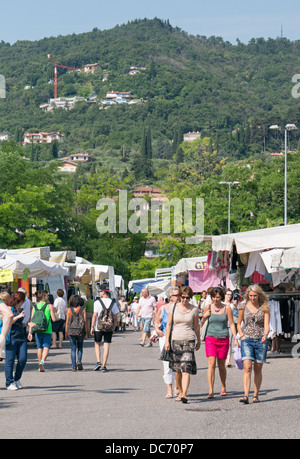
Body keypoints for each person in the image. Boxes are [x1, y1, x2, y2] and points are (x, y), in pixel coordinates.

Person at [165, 286, 200, 404]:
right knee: (178, 370)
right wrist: (166, 341)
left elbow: (196, 326)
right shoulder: (173, 307)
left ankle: (184, 393)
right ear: (180, 296)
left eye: (188, 298)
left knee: (186, 368)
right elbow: (169, 325)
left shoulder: (194, 309)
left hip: (189, 340)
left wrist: (199, 339)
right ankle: (179, 391)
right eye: (183, 297)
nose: (185, 300)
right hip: (176, 340)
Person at [201, 287, 237, 398]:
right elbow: (202, 323)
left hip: (223, 338)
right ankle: (211, 390)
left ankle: (223, 386)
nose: (215, 299)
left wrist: (236, 338)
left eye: (217, 297)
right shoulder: (208, 307)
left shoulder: (227, 308)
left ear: (221, 297)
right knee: (211, 364)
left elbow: (231, 324)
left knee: (221, 365)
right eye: (213, 297)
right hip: (210, 338)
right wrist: (204, 316)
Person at [237, 284, 270, 404]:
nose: (252, 298)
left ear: (259, 295)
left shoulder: (265, 307)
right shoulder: (243, 306)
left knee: (258, 368)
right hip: (247, 339)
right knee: (247, 368)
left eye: (255, 295)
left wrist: (265, 335)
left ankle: (255, 395)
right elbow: (239, 322)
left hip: (261, 340)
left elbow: (267, 325)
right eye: (250, 295)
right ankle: (246, 395)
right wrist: (241, 335)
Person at [154, 287, 179, 398]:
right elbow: (156, 320)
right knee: (167, 363)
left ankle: (177, 387)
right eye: (176, 295)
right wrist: (157, 330)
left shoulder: (181, 308)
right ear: (170, 297)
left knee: (177, 363)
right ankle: (169, 388)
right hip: (165, 338)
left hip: (178, 337)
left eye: (179, 295)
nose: (178, 297)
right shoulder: (163, 308)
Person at [3, 292, 28, 390]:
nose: (24, 302)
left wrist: (28, 325)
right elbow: (7, 321)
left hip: (21, 337)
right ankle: (9, 382)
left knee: (23, 359)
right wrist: (18, 316)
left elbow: (19, 323)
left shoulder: (18, 309)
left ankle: (16, 379)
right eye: (23, 300)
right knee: (10, 361)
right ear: (19, 300)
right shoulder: (9, 309)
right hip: (12, 337)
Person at [91, 288, 119, 372]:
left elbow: (94, 315)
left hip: (98, 327)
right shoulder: (113, 302)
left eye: (99, 291)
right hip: (109, 327)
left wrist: (92, 327)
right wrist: (114, 327)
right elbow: (116, 317)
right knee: (106, 345)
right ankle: (104, 365)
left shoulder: (97, 302)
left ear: (103, 292)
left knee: (97, 344)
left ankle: (98, 362)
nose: (99, 293)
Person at [28, 290, 56, 372]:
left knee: (39, 347)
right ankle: (43, 361)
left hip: (37, 329)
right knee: (46, 346)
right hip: (47, 329)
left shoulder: (35, 307)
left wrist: (30, 332)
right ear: (43, 297)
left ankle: (39, 363)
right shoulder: (49, 306)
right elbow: (54, 319)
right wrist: (54, 312)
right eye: (47, 296)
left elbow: (32, 321)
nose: (48, 297)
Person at [65, 295, 86, 371]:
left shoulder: (69, 310)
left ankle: (73, 366)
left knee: (73, 348)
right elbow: (85, 321)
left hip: (71, 330)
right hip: (80, 330)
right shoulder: (83, 309)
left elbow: (67, 321)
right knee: (80, 347)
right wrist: (86, 332)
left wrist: (66, 332)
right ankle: (79, 361)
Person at [224, 289, 235, 368]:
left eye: (230, 295)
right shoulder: (221, 304)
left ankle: (228, 361)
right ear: (224, 295)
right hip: (222, 325)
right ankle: (222, 359)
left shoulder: (232, 304)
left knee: (229, 343)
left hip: (230, 325)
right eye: (228, 294)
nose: (229, 296)